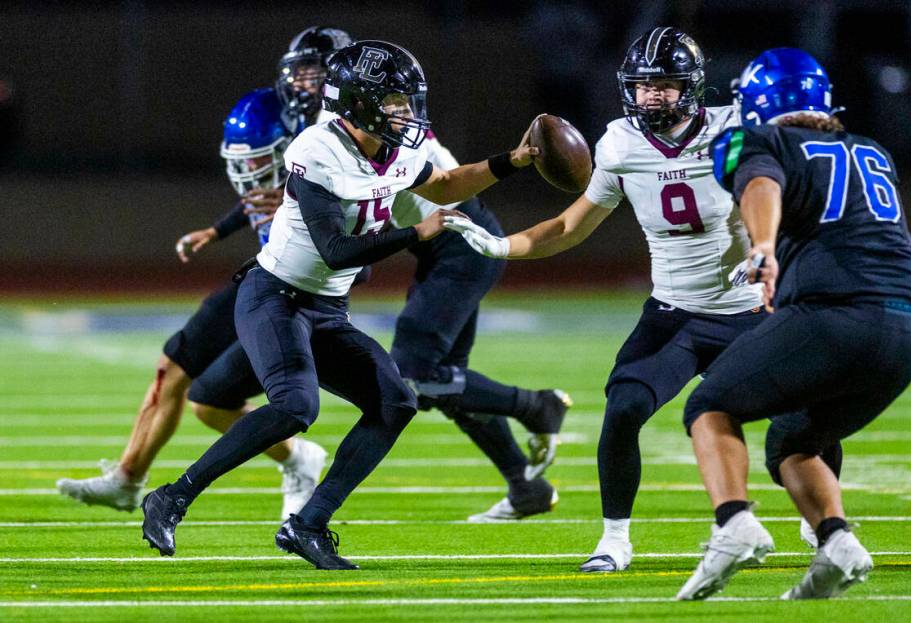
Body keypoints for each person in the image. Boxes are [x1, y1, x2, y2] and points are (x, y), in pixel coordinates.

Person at [444, 27, 841, 572]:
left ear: (694, 88)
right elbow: (568, 225)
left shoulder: (736, 128)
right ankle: (615, 540)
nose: (652, 96)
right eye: (643, 86)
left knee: (808, 415)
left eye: (666, 86)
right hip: (674, 313)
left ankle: (819, 524)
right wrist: (499, 245)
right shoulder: (619, 144)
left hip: (750, 311)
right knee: (624, 409)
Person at [140, 40, 541, 570]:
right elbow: (335, 249)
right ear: (357, 102)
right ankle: (171, 498)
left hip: (325, 307)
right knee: (294, 406)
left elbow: (445, 183)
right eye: (393, 101)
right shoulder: (315, 150)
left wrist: (510, 162)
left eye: (406, 100)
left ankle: (307, 524)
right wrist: (414, 233)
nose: (406, 112)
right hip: (274, 298)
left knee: (394, 402)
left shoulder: (396, 147)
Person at [267, 27, 573, 521]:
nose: (305, 84)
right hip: (435, 248)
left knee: (413, 376)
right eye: (302, 73)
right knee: (442, 383)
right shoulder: (332, 132)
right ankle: (524, 485)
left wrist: (510, 163)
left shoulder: (388, 130)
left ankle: (536, 407)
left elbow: (448, 187)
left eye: (315, 74)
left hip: (456, 240)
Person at [674, 48, 911, 600]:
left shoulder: (764, 140)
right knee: (794, 437)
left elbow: (760, 181)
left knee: (709, 406)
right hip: (906, 330)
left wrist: (763, 246)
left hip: (838, 313)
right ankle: (837, 542)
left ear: (753, 105)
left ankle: (733, 523)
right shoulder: (872, 150)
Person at [55, 88, 328, 520]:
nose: (250, 171)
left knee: (209, 404)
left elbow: (353, 239)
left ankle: (298, 458)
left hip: (299, 294)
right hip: (259, 277)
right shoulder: (292, 162)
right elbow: (258, 200)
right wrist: (217, 231)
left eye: (259, 159)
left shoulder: (330, 164)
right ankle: (127, 479)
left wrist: (303, 207)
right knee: (172, 367)